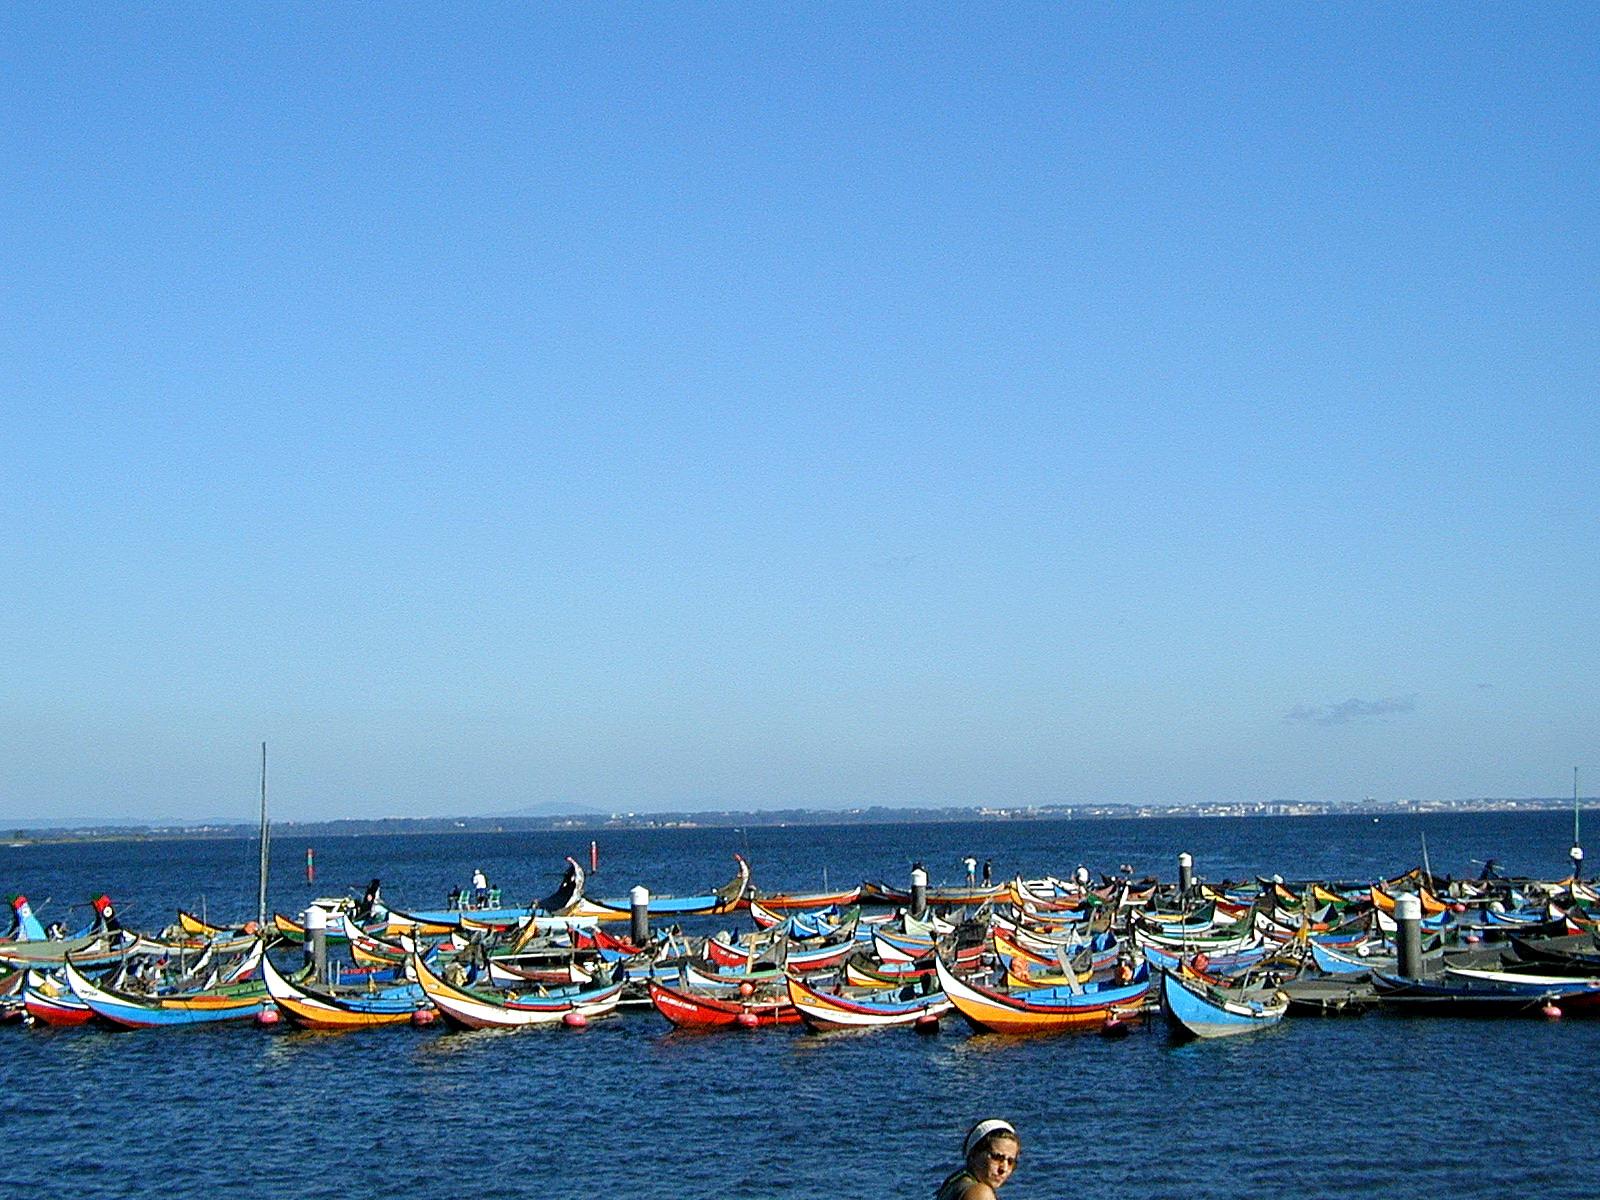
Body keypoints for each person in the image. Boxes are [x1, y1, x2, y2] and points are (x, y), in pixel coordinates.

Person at [936, 1118, 1020, 1199]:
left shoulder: (954, 1182)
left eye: (1010, 1162)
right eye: (997, 1157)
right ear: (974, 1154)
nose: (1004, 1169)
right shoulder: (980, 1194)